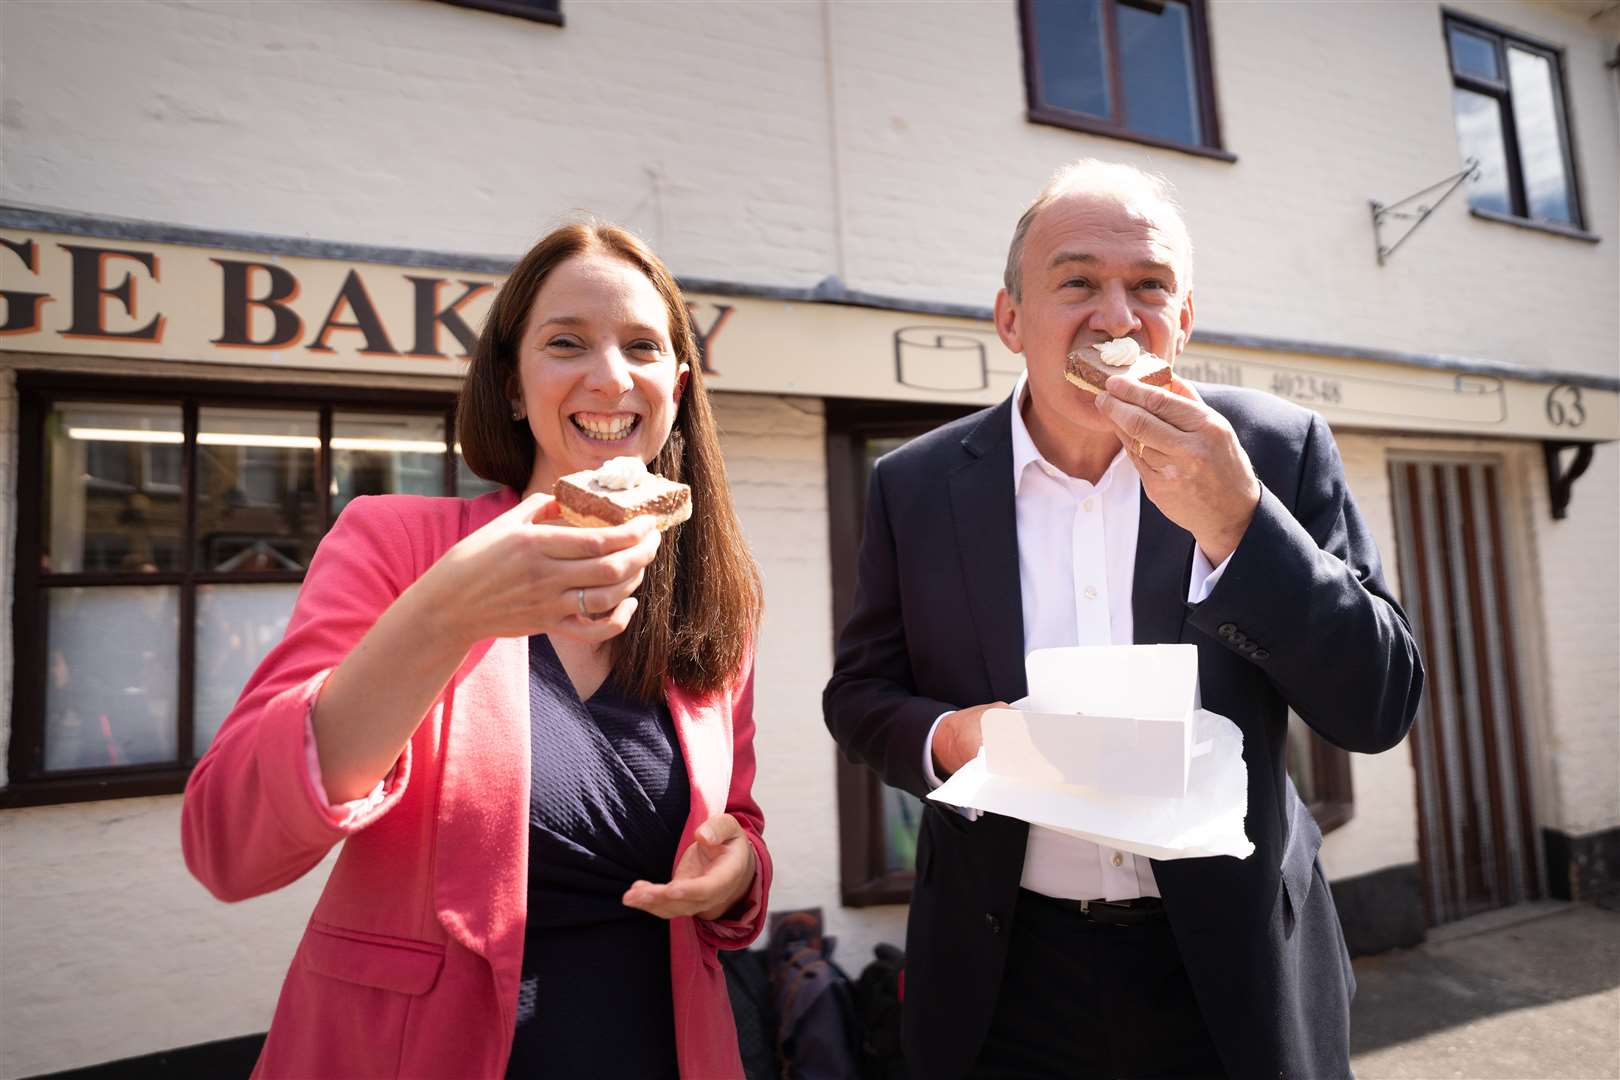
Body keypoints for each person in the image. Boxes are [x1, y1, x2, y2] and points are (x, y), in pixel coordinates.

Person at [822, 160, 1423, 1080]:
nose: (1114, 316)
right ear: (1010, 319)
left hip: (1231, 969)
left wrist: (1239, 524)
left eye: (1149, 287)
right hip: (1005, 973)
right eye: (1076, 282)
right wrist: (953, 739)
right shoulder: (914, 485)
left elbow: (1378, 707)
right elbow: (859, 696)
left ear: (1182, 320)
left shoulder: (1273, 451)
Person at [182, 222, 771, 1079]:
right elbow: (227, 845)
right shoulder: (400, 546)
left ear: (676, 388)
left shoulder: (709, 598)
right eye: (566, 342)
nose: (610, 376)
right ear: (512, 386)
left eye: (642, 346)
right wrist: (444, 617)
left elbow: (736, 819)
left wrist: (741, 870)